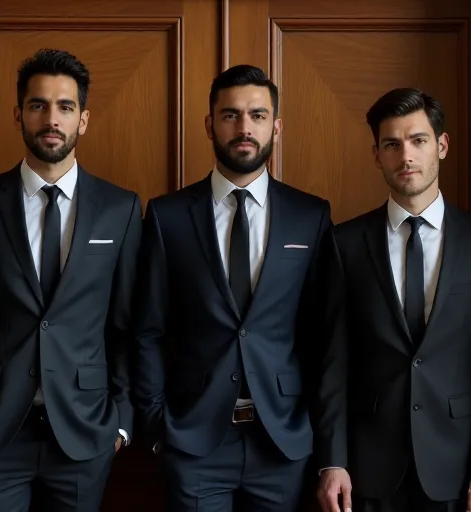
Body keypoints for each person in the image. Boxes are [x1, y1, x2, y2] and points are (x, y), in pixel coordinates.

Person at [132, 64, 342, 511]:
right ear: (210, 124)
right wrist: (157, 424)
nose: (244, 128)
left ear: (276, 127)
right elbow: (147, 329)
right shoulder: (168, 217)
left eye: (258, 115)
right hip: (194, 441)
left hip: (281, 442)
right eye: (230, 115)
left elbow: (325, 336)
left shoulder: (311, 215)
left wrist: (316, 431)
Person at [0, 48, 140, 511]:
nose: (51, 119)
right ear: (18, 115)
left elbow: (130, 325)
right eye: (38, 105)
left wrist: (122, 422)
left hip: (84, 434)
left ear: (83, 119)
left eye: (65, 107)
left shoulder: (122, 209)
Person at [316, 88, 471, 512]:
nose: (406, 156)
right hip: (367, 467)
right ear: (376, 154)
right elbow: (332, 362)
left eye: (418, 141)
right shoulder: (345, 243)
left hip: (457, 467)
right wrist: (333, 460)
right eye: (392, 144)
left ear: (442, 145)